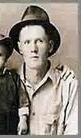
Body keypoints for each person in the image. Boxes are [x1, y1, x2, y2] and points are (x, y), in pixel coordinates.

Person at [9, 5, 78, 135]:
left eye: (39, 41)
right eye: (27, 42)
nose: (33, 49)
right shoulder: (7, 82)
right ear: (20, 47)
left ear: (50, 46)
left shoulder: (67, 84)